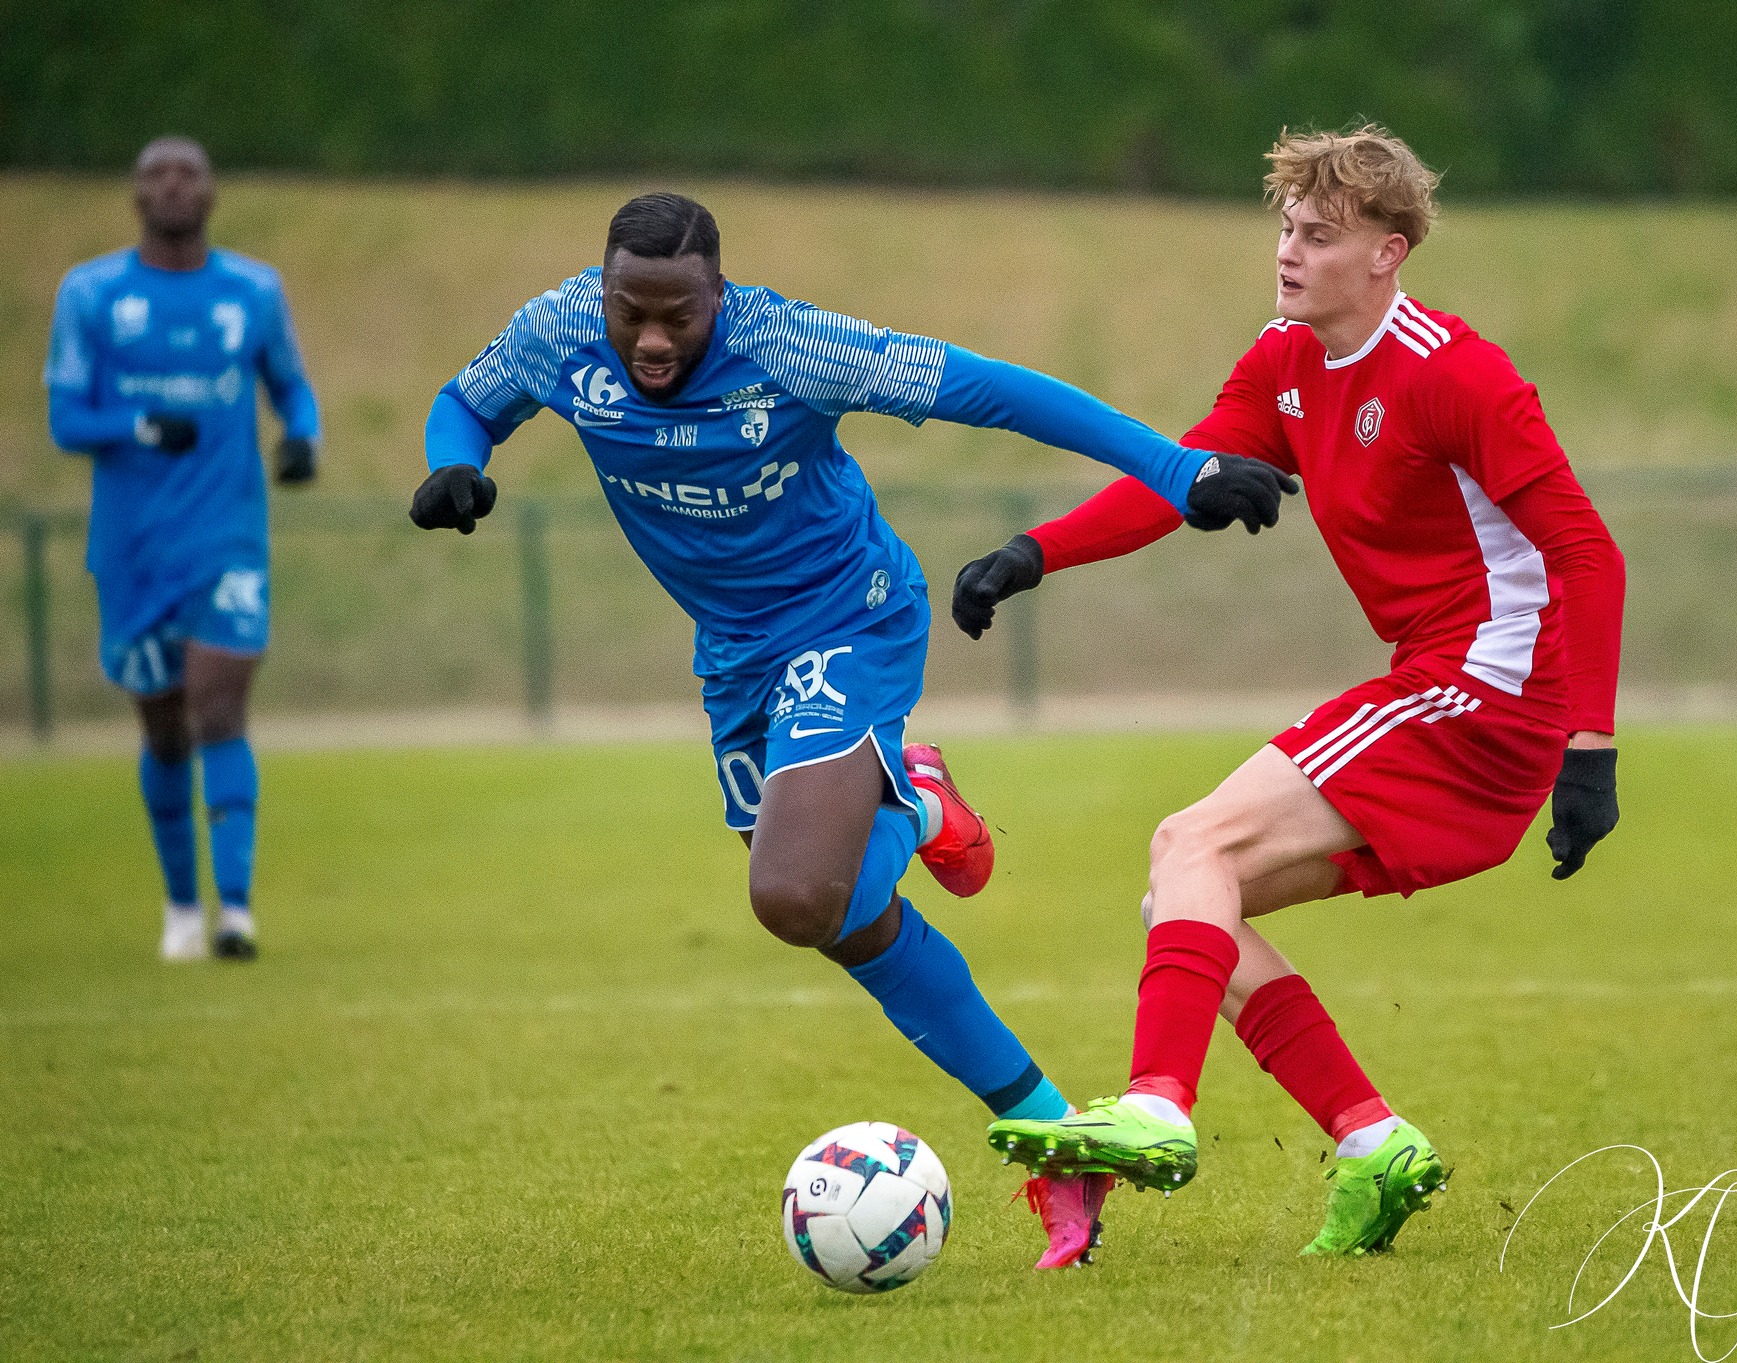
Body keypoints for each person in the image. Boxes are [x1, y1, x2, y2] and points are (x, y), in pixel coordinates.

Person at [408, 191, 1294, 1268]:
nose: (651, 339)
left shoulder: (790, 345)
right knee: (840, 916)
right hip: (735, 658)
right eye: (629, 312)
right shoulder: (555, 331)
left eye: (678, 316)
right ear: (602, 290)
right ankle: (1057, 1137)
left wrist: (1177, 468)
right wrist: (453, 459)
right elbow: (467, 400)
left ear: (718, 294)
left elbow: (989, 389)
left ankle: (909, 802)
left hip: (849, 618)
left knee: (791, 891)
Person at [967, 124, 1626, 1258]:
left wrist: (1591, 748)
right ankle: (1374, 1144)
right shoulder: (1284, 362)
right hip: (1445, 687)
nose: (1288, 251)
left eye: (1319, 235)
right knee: (1188, 900)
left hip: (1484, 691)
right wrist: (1034, 554)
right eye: (1285, 227)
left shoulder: (1456, 374)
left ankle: (1156, 1107)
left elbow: (1587, 554)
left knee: (1190, 840)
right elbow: (1181, 476)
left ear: (1388, 252)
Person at [44, 135, 322, 963]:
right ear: (136, 195)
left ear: (211, 192)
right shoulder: (91, 294)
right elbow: (66, 419)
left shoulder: (253, 290)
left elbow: (291, 385)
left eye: (188, 174)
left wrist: (301, 437)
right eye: (156, 175)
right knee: (165, 731)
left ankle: (234, 910)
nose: (172, 186)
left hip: (226, 536)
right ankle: (181, 908)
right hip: (132, 548)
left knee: (220, 709)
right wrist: (136, 425)